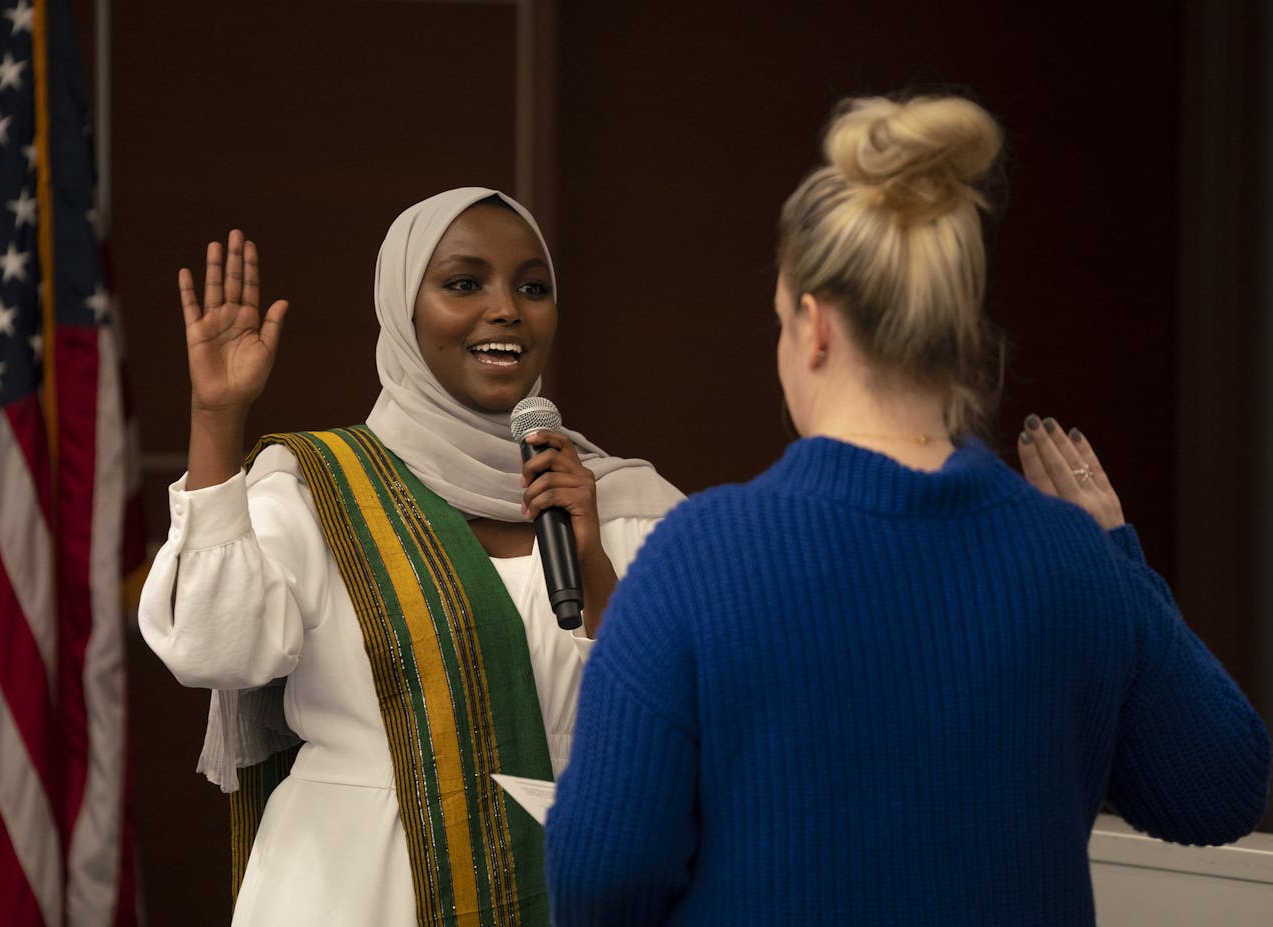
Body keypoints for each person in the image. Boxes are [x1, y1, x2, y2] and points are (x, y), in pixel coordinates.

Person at [543, 95, 1272, 925]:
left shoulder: (698, 556)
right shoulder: (1075, 561)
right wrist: (1116, 552)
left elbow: (599, 877)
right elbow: (1222, 789)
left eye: (780, 321)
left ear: (813, 328)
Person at [138, 187, 684, 926]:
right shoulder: (323, 490)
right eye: (465, 283)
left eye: (533, 287)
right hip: (354, 887)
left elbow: (680, 713)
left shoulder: (620, 502)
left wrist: (590, 559)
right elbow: (212, 649)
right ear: (402, 309)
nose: (507, 309)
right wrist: (216, 419)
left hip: (562, 881)